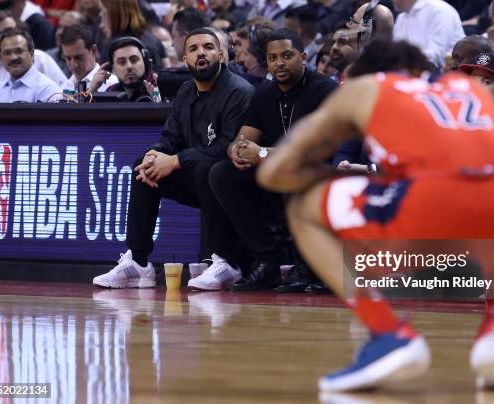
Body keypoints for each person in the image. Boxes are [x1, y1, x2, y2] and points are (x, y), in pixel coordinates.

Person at [257, 39, 494, 392]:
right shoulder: (469, 92)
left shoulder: (366, 88)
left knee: (302, 206)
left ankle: (389, 334)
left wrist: (339, 175)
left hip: (428, 202)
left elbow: (274, 173)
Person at [93, 29, 253, 289]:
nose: (201, 52)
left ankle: (227, 262)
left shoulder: (239, 91)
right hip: (199, 176)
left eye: (208, 47)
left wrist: (176, 160)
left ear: (222, 54)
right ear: (185, 59)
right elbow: (171, 136)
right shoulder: (187, 91)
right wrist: (154, 153)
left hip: (236, 184)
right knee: (141, 168)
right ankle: (139, 263)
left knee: (209, 169)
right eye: (193, 48)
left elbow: (228, 147)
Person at [202, 28, 337, 292]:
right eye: (273, 58)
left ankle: (307, 266)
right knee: (221, 173)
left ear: (303, 56)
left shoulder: (324, 90)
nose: (279, 63)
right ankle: (267, 260)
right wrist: (236, 152)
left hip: (322, 173)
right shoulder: (265, 93)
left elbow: (318, 151)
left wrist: (262, 153)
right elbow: (241, 140)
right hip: (279, 172)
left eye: (287, 56)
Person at [0, 11, 68, 87]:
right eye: (9, 31)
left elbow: (65, 89)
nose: (15, 34)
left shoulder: (38, 57)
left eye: (16, 29)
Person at [0, 29, 60, 102]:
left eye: (18, 51)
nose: (13, 57)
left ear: (32, 54)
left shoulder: (46, 89)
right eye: (7, 53)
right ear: (1, 57)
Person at [392, 0, 465, 68]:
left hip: (444, 74)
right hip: (413, 72)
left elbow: (436, 56)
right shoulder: (402, 17)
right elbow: (396, 51)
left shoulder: (440, 10)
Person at [60, 24, 117, 94]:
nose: (73, 65)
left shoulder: (112, 85)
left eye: (78, 57)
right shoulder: (63, 87)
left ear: (94, 50)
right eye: (68, 58)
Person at [96, 36, 156, 102]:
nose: (129, 66)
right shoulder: (111, 92)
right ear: (113, 69)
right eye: (122, 62)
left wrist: (158, 101)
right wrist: (92, 90)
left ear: (145, 62)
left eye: (134, 60)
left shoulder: (158, 89)